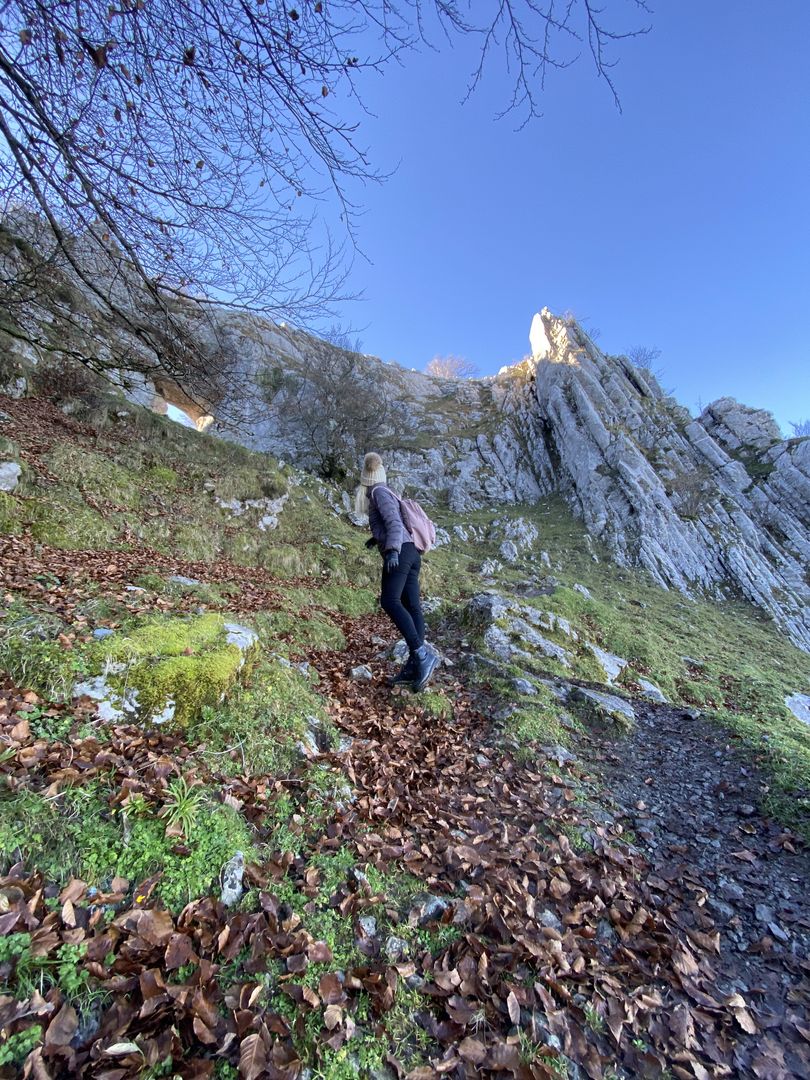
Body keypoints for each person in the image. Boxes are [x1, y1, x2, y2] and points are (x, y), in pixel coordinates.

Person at [355, 452, 439, 692]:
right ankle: (415, 666)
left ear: (365, 477)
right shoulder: (387, 491)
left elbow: (393, 522)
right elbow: (395, 523)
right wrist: (376, 539)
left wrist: (391, 550)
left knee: (389, 601)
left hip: (400, 552)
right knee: (412, 606)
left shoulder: (378, 493)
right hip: (410, 551)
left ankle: (421, 655)